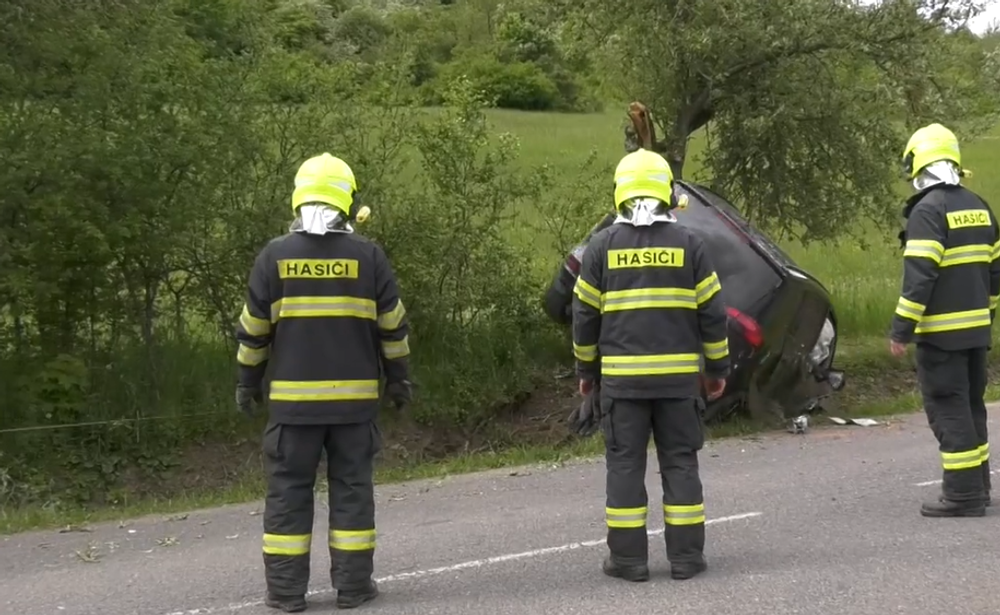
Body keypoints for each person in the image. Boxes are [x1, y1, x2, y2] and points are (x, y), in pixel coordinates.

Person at [234, 153, 412, 611]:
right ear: (347, 202)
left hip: (292, 412)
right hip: (354, 410)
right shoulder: (368, 257)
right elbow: (393, 329)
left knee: (288, 496)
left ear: (299, 198)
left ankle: (286, 593)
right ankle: (353, 588)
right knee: (352, 492)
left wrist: (246, 382)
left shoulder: (273, 257)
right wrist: (399, 382)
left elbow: (254, 332)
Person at [571, 148, 730, 582]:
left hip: (623, 385)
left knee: (625, 465)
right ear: (667, 192)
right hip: (679, 385)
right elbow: (713, 315)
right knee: (680, 463)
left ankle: (628, 561)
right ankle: (686, 559)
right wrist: (717, 371)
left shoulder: (602, 247)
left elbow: (584, 317)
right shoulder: (690, 245)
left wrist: (587, 374)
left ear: (621, 192)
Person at [890, 123, 997, 517]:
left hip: (940, 335)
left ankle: (963, 495)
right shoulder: (979, 205)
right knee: (971, 406)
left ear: (919, 162)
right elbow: (995, 271)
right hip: (975, 333)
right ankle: (980, 487)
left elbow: (920, 277)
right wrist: (987, 317)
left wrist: (901, 329)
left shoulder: (928, 211)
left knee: (948, 408)